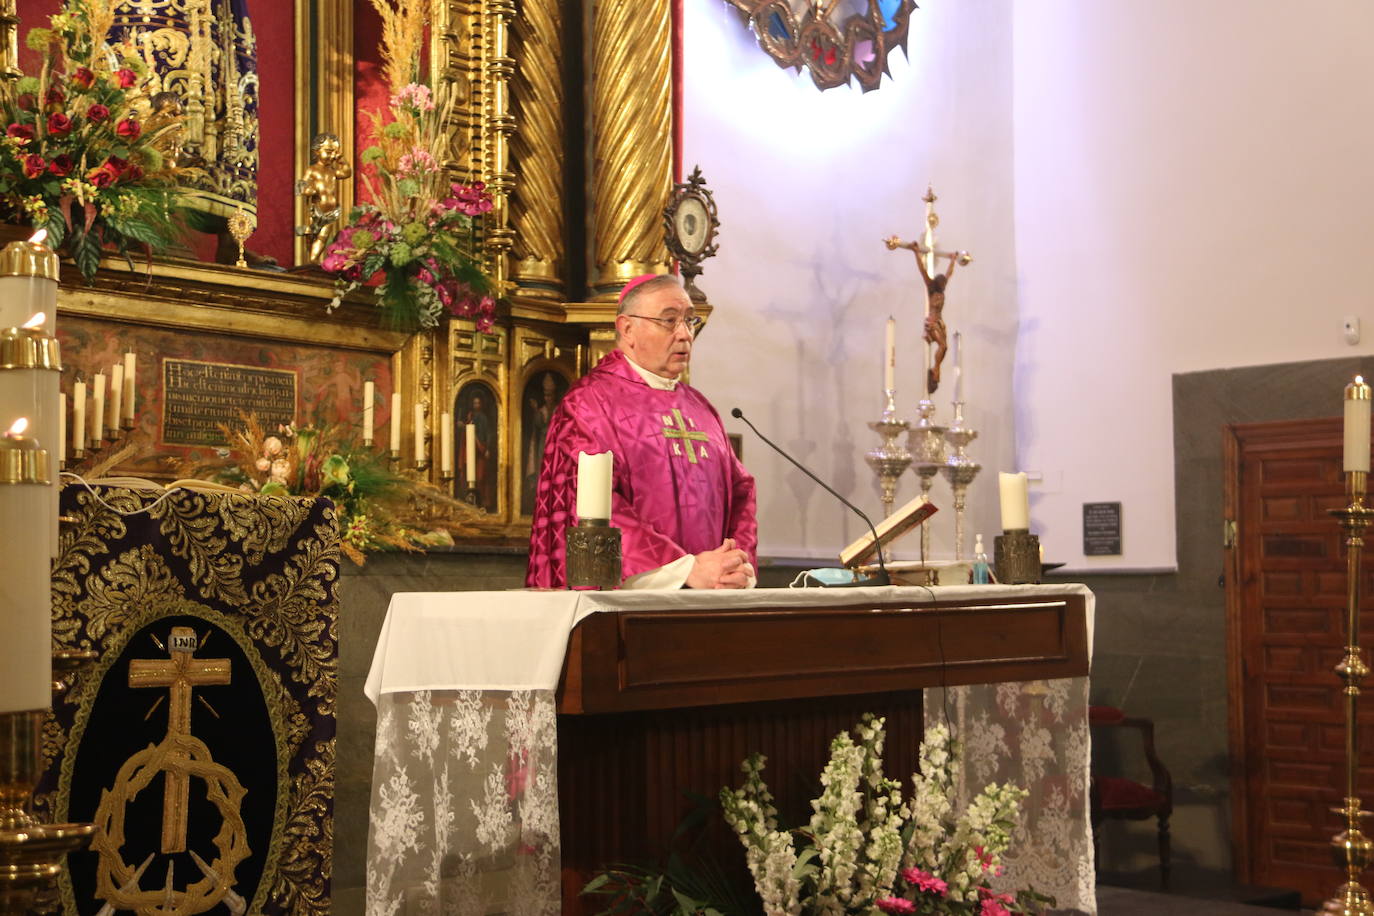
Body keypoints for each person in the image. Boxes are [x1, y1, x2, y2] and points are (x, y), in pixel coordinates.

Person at [526, 274, 757, 589]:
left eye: (690, 321)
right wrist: (686, 570)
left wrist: (732, 565)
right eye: (669, 320)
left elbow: (741, 491)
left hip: (711, 600)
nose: (685, 334)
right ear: (627, 328)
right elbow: (590, 505)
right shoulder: (589, 403)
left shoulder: (700, 408)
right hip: (630, 606)